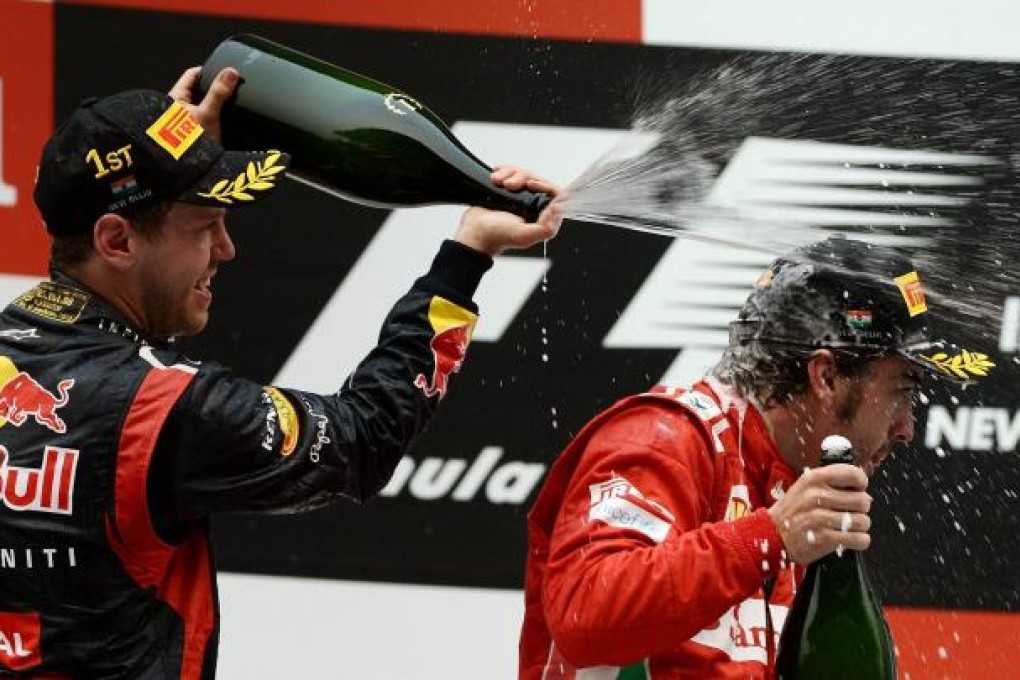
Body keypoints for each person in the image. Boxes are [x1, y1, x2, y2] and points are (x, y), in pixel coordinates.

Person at [0, 64, 561, 679]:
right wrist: (467, 255)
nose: (225, 248)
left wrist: (159, 150)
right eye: (204, 225)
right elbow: (362, 436)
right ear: (117, 242)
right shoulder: (160, 407)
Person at [519, 236, 993, 679]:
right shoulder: (664, 438)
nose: (907, 427)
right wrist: (769, 537)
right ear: (826, 376)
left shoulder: (795, 487)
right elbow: (585, 615)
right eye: (901, 392)